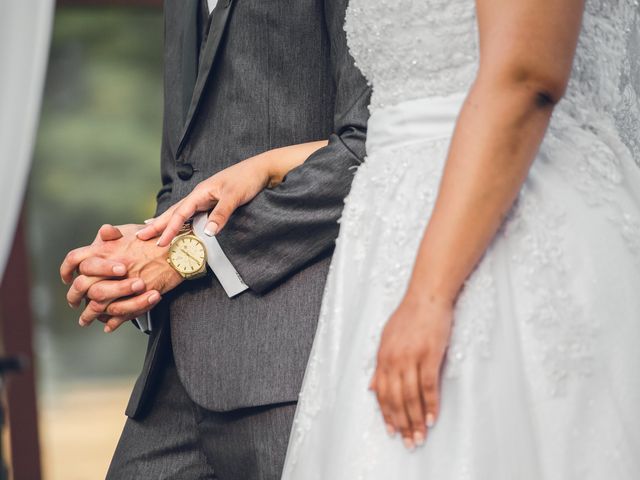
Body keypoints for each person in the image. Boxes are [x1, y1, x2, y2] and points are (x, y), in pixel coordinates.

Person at [116, 0, 640, 478]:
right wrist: (161, 239)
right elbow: (392, 121)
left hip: (492, 248)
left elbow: (526, 79)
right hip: (374, 269)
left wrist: (428, 298)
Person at [58, 0, 369, 477]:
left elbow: (368, 146)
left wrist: (187, 253)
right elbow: (184, 172)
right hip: (173, 368)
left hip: (290, 360)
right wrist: (141, 249)